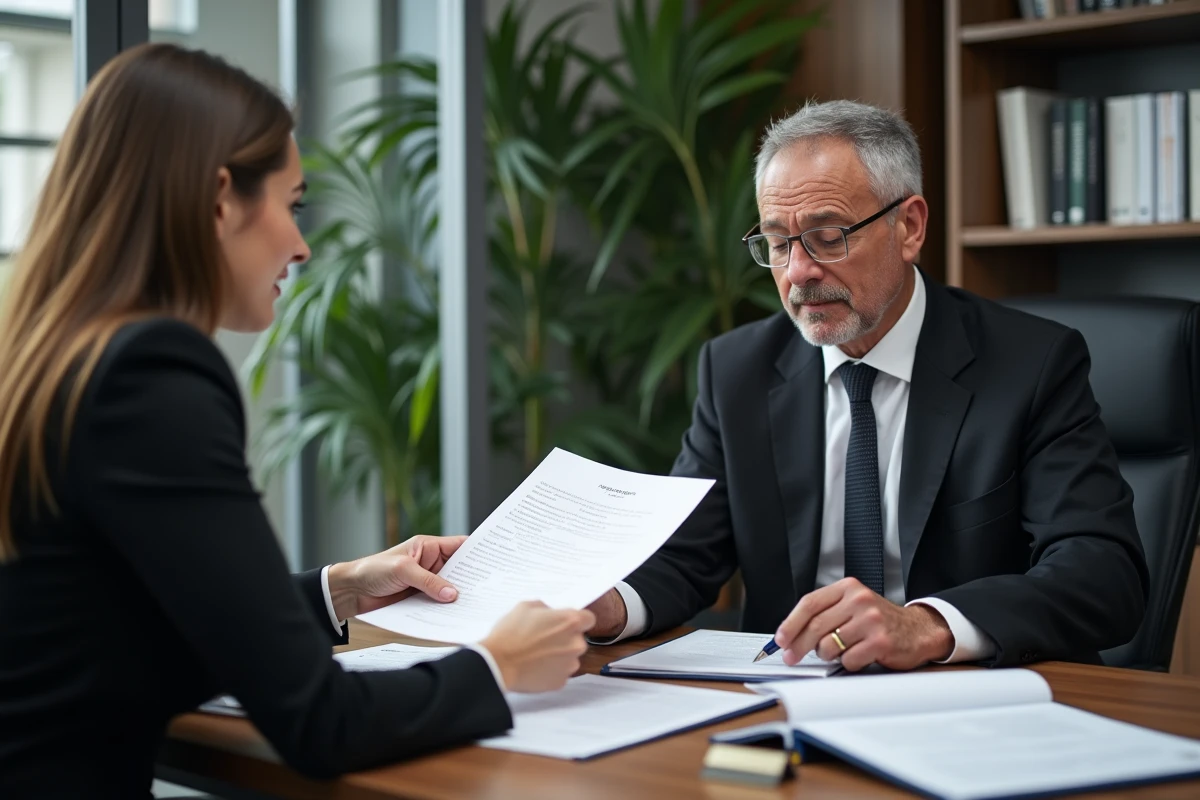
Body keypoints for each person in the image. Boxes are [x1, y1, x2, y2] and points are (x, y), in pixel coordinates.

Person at [0, 44, 592, 798]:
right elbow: (321, 721)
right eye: (292, 203)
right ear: (220, 199)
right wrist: (500, 662)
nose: (302, 245)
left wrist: (339, 589)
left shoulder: (60, 358)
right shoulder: (150, 374)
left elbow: (123, 623)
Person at [586, 100, 1148, 671]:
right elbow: (684, 556)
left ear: (909, 227)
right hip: (788, 702)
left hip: (970, 698)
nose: (798, 271)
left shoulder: (1032, 364)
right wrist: (603, 607)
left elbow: (1104, 573)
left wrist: (927, 625)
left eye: (828, 236)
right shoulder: (737, 371)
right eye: (778, 243)